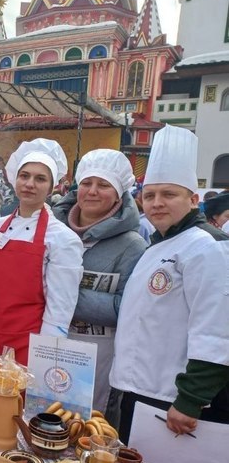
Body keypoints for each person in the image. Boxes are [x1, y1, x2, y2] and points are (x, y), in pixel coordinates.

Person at [110, 125, 229, 463]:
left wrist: (191, 400)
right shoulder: (159, 245)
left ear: (193, 198)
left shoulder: (205, 248)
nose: (157, 203)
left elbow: (216, 331)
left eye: (169, 194)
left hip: (172, 403)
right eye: (150, 195)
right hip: (142, 395)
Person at [0, 139, 83, 390]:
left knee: (18, 418)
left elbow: (60, 308)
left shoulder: (62, 239)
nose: (30, 184)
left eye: (40, 179)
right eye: (24, 176)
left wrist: (45, 361)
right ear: (14, 179)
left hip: (29, 348)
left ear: (52, 186)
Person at [52, 149, 147, 415]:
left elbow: (128, 308)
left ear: (119, 194)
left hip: (97, 358)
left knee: (87, 424)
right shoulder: (52, 233)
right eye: (86, 183)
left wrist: (62, 292)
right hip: (47, 347)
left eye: (103, 185)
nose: (92, 191)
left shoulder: (132, 246)